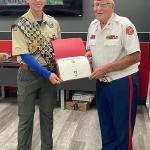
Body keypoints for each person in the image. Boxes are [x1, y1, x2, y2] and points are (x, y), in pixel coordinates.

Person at [85, 0, 141, 149]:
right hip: (101, 83)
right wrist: (87, 56)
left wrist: (106, 68)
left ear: (112, 6)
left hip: (122, 82)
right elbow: (89, 50)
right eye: (96, 5)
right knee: (106, 123)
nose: (98, 8)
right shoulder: (93, 26)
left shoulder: (124, 25)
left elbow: (135, 56)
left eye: (103, 4)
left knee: (123, 125)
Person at [12, 0, 62, 150]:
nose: (38, 1)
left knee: (48, 116)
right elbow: (24, 55)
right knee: (26, 118)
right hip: (28, 75)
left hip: (50, 76)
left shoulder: (54, 23)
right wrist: (47, 74)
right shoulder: (19, 24)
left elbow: (59, 51)